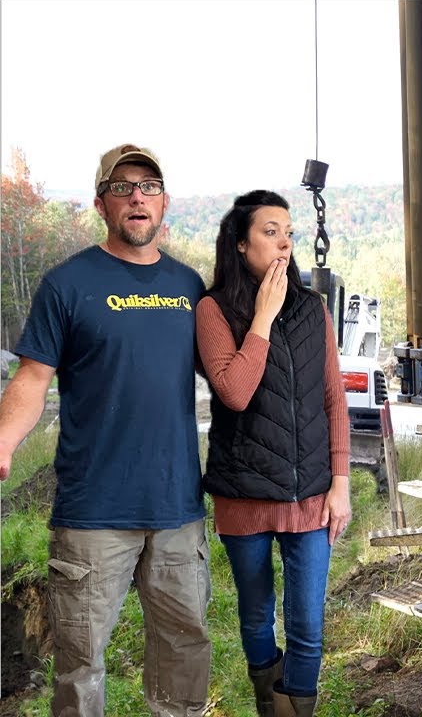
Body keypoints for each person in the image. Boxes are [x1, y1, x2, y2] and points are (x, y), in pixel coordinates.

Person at [0, 144, 211, 716]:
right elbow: (32, 378)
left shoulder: (189, 287)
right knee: (80, 666)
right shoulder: (67, 284)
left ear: (165, 202)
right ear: (101, 204)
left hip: (176, 510)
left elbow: (230, 373)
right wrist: (3, 441)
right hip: (93, 513)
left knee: (184, 651)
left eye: (149, 186)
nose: (137, 196)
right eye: (122, 187)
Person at [196, 189, 351, 717]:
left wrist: (340, 484)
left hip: (309, 496)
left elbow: (333, 400)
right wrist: (261, 317)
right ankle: (270, 705)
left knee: (307, 625)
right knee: (257, 617)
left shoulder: (313, 310)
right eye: (270, 231)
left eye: (288, 232)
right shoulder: (214, 310)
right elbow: (235, 393)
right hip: (244, 495)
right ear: (240, 244)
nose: (284, 242)